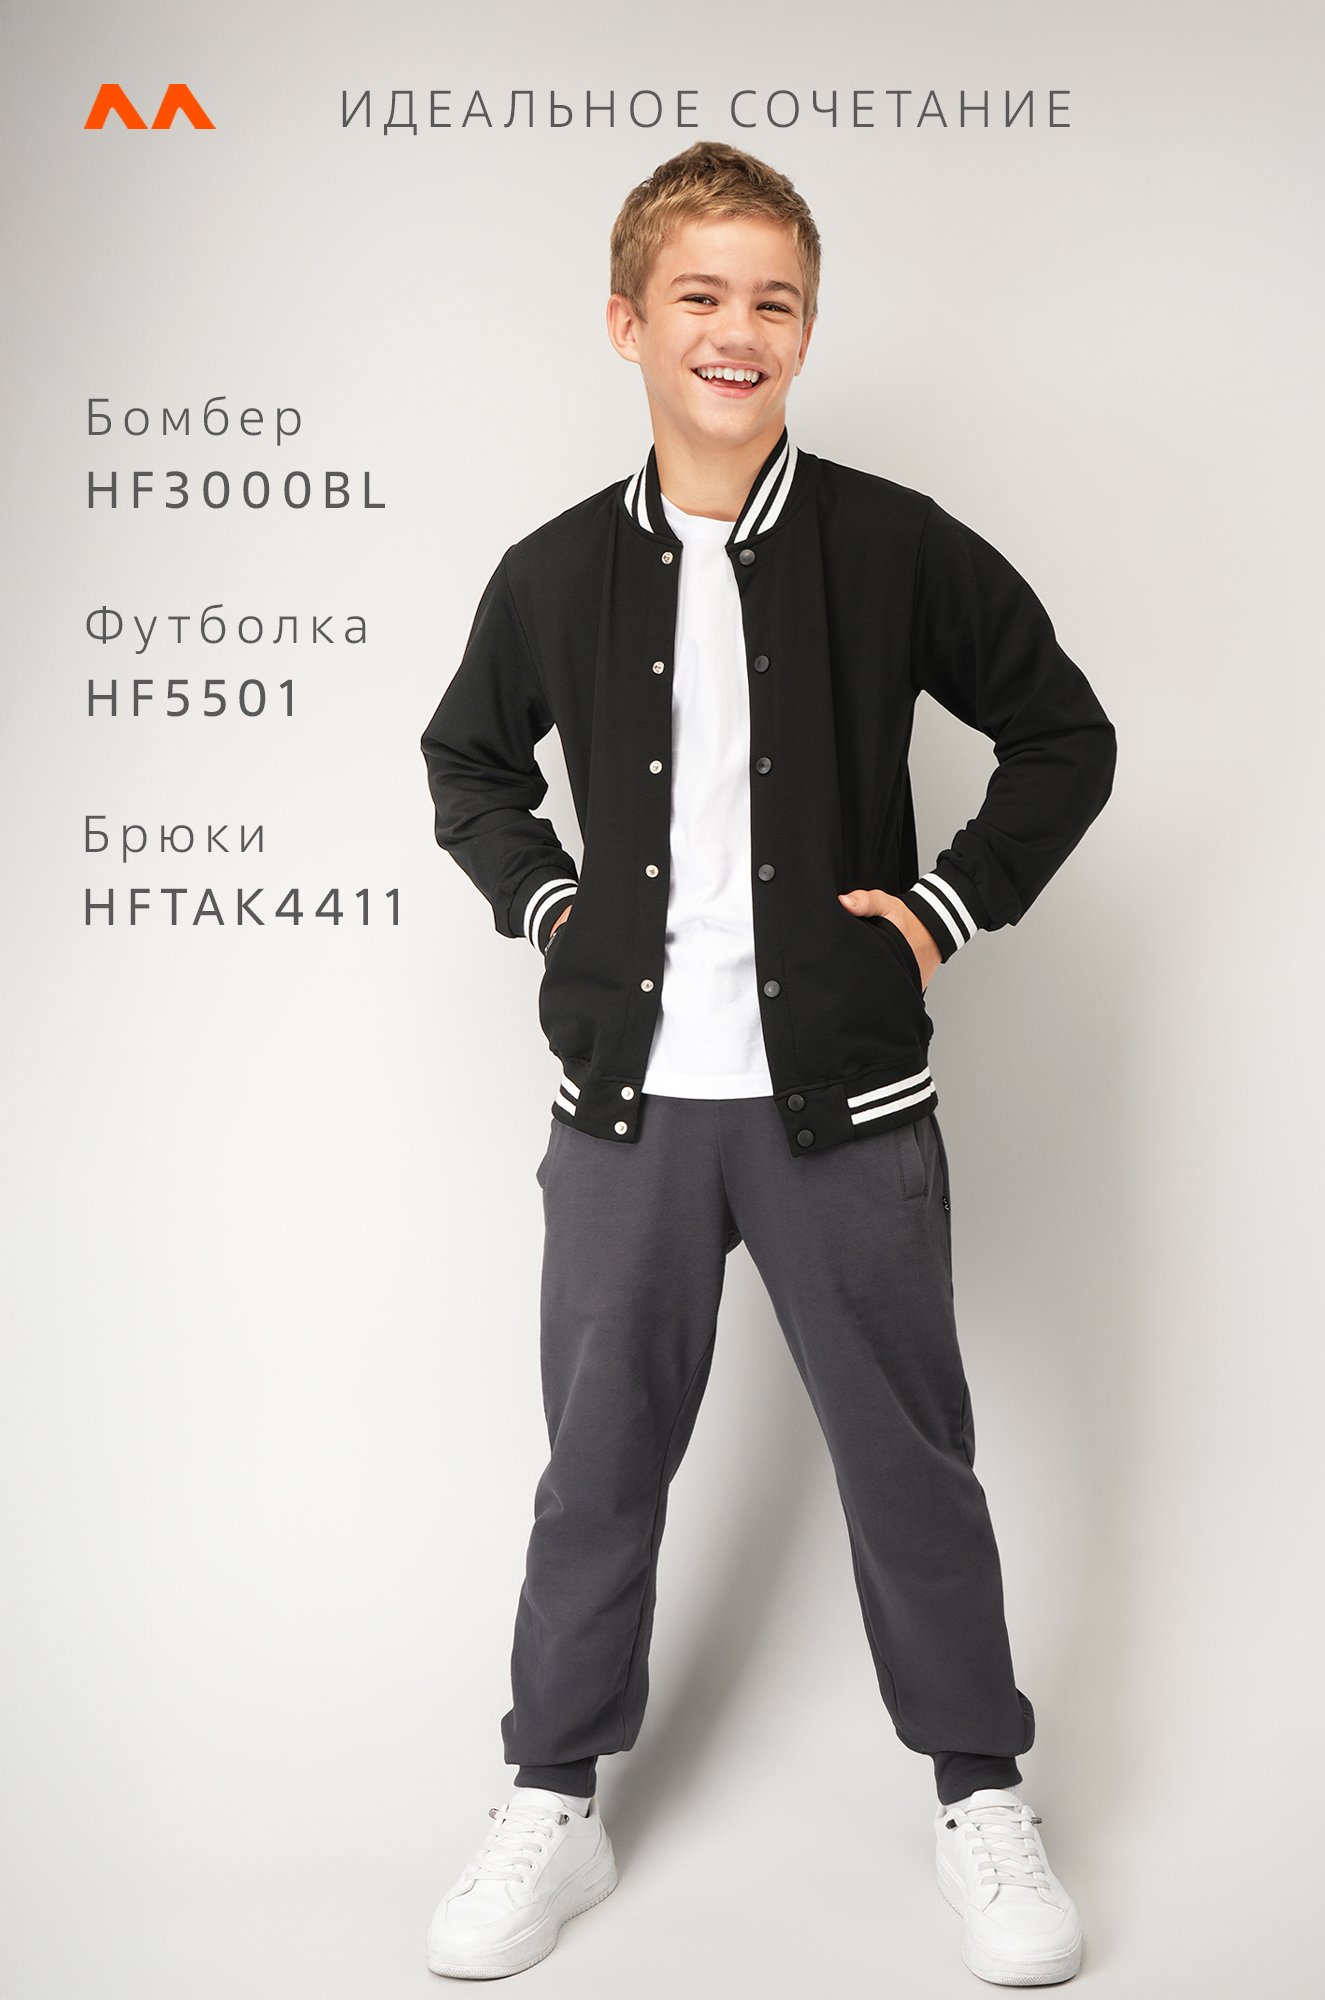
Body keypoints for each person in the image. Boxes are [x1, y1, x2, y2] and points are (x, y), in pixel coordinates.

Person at [419, 139, 1115, 1987]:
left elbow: (1063, 734)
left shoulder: (890, 544)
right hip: (627, 1113)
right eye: (701, 297)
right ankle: (551, 1801)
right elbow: (467, 764)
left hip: (844, 1110)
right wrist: (551, 908)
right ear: (627, 323)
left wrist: (942, 910)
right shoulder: (553, 571)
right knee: (597, 1470)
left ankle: (978, 1797)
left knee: (910, 1467)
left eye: (774, 301)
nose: (738, 331)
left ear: (805, 328)